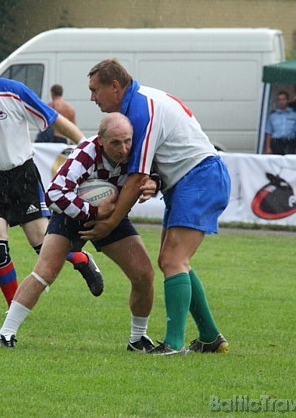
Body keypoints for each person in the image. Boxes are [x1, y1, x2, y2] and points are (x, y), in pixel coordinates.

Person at [82, 58, 230, 356]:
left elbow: (136, 178)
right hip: (190, 178)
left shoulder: (141, 109)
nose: (92, 97)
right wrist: (156, 181)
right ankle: (210, 337)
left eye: (95, 90)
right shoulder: (141, 102)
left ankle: (173, 345)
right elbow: (150, 169)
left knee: (174, 260)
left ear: (115, 86)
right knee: (172, 260)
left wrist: (110, 224)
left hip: (200, 177)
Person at [0, 42, 102, 309]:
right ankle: (14, 308)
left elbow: (54, 119)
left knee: (42, 245)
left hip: (22, 177)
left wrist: (87, 147)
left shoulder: (13, 91)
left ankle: (81, 259)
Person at [0, 113, 159, 351]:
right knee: (44, 272)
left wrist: (154, 184)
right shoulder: (86, 152)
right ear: (101, 141)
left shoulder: (137, 152)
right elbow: (55, 194)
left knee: (144, 275)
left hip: (112, 214)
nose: (123, 149)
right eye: (115, 143)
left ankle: (137, 339)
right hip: (72, 213)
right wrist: (92, 210)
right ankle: (5, 334)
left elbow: (154, 174)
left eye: (127, 141)